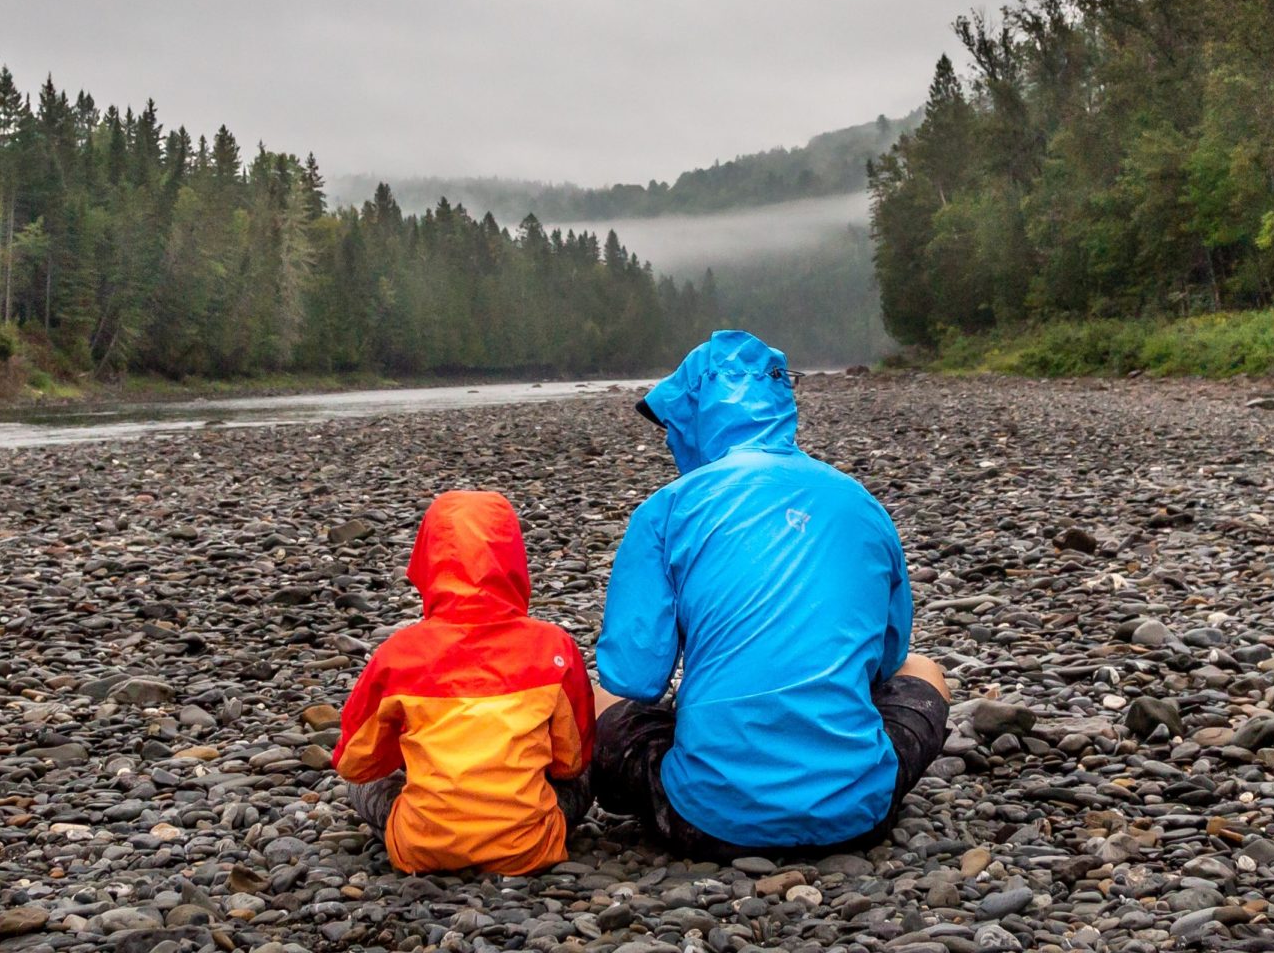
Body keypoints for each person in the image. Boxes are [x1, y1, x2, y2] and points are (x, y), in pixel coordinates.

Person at [591, 330, 949, 859]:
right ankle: (836, 769)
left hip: (708, 820)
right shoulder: (861, 503)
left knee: (594, 695)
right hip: (856, 814)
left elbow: (633, 679)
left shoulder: (666, 511)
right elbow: (890, 659)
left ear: (693, 418)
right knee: (926, 670)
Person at [332, 489, 595, 875]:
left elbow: (354, 764)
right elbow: (571, 763)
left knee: (362, 785)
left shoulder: (398, 654)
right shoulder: (553, 646)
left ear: (426, 558)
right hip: (529, 847)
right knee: (589, 767)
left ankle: (436, 822)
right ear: (514, 560)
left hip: (422, 847)